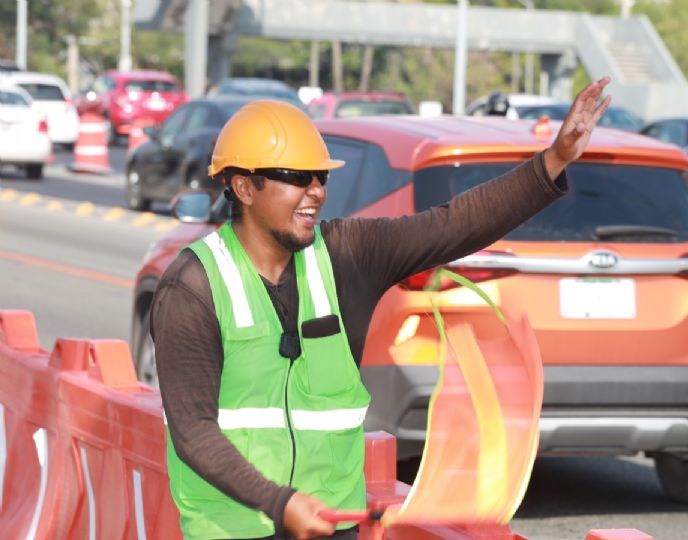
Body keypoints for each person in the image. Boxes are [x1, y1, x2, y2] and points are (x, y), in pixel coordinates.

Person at [152, 77, 612, 540]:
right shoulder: (192, 287)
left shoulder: (345, 256)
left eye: (322, 177)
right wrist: (281, 503)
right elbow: (193, 430)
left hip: (333, 529)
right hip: (231, 531)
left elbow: (453, 225)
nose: (315, 191)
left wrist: (552, 161)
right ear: (244, 188)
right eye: (296, 177)